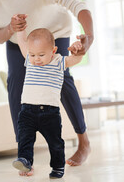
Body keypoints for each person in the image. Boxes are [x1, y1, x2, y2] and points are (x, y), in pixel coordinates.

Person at [0, 0, 94, 166]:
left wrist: (88, 35)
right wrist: (12, 28)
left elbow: (74, 3)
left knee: (61, 80)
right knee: (15, 83)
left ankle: (84, 142)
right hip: (18, 38)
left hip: (53, 31)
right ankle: (25, 152)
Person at [12, 27, 83, 178]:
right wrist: (20, 30)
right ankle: (25, 161)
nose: (36, 59)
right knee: (25, 138)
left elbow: (75, 59)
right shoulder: (29, 61)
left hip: (49, 113)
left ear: (53, 50)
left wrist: (79, 51)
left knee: (55, 142)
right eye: (32, 54)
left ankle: (57, 167)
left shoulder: (59, 61)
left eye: (41, 55)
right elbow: (22, 43)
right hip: (27, 111)